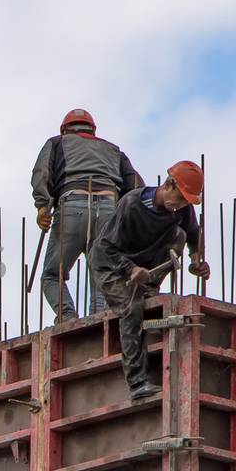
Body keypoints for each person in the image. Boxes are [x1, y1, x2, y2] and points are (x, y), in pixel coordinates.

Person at [90, 161, 211, 401]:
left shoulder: (181, 209)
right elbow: (105, 248)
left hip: (144, 267)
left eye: (187, 201)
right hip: (111, 266)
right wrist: (131, 269)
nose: (182, 205)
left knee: (179, 234)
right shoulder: (131, 204)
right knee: (132, 308)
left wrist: (197, 260)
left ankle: (149, 288)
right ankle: (137, 383)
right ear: (168, 185)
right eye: (180, 197)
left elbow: (194, 237)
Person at [30, 108, 143, 322]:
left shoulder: (56, 143)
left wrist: (42, 207)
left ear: (65, 130)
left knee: (52, 274)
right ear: (93, 130)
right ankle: (98, 319)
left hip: (73, 205)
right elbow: (136, 188)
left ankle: (67, 317)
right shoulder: (114, 150)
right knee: (101, 270)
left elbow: (41, 174)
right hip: (109, 209)